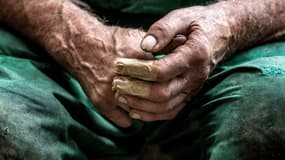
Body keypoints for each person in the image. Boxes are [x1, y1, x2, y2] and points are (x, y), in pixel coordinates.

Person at [0, 0, 285, 159]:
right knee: (7, 126)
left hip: (244, 46)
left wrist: (230, 24)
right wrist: (73, 37)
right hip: (42, 42)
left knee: (270, 116)